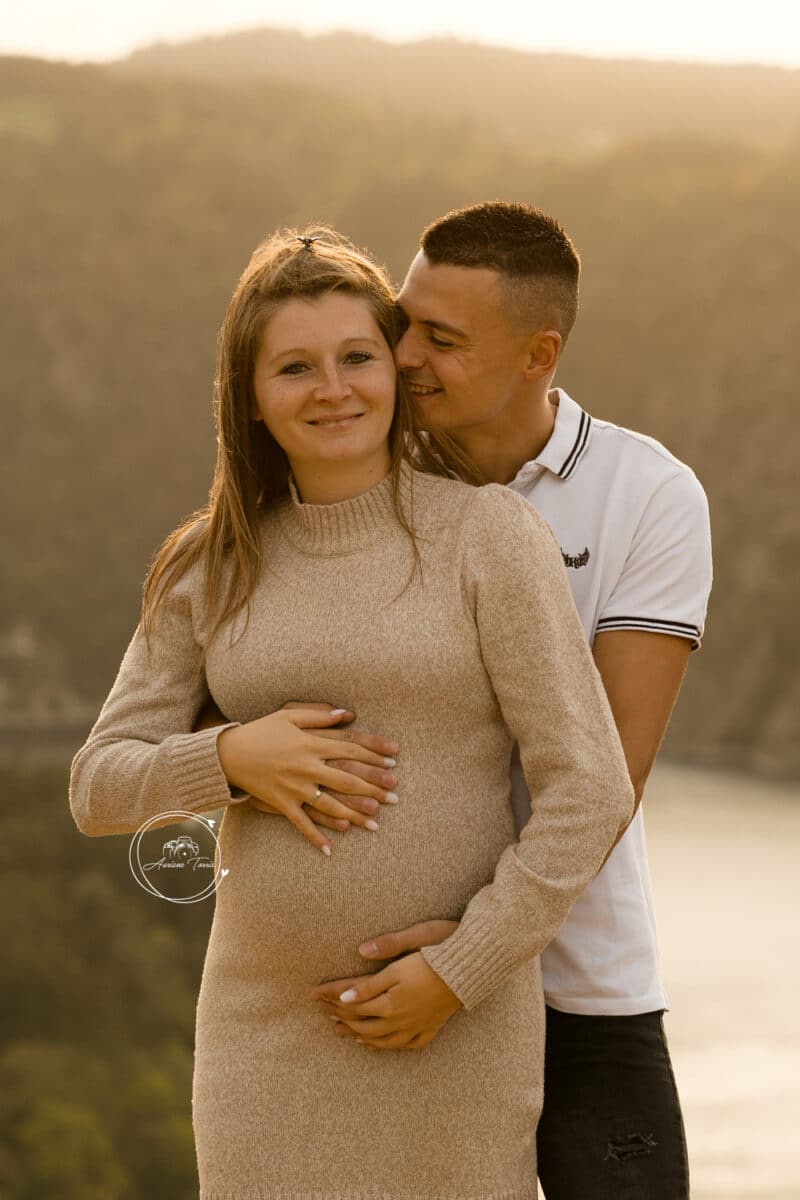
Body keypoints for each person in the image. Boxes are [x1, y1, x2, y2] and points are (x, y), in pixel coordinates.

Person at [68, 227, 635, 1198]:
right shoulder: (211, 564)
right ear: (250, 395)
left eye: (356, 357)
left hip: (455, 1032)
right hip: (262, 1042)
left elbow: (588, 790)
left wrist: (460, 967)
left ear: (394, 368)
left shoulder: (487, 538)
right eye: (294, 366)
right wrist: (232, 757)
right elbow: (97, 786)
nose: (331, 388)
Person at [307, 202, 711, 1200]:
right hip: (381, 975)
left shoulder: (647, 495)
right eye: (403, 323)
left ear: (538, 354)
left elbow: (606, 776)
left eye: (441, 340)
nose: (401, 357)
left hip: (581, 996)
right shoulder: (354, 474)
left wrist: (469, 954)